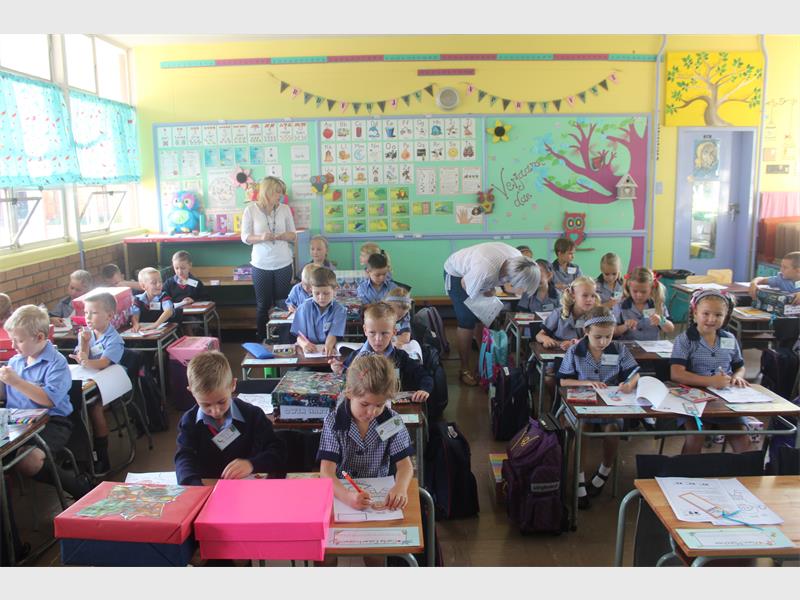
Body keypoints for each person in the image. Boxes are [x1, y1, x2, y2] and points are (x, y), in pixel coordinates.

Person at [0, 305, 92, 498]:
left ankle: (81, 489)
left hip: (53, 422)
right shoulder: (16, 361)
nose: (13, 346)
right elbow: (6, 395)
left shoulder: (56, 363)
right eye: (12, 340)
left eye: (19, 341)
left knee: (29, 461)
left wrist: (16, 381)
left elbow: (48, 400)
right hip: (17, 423)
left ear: (40, 337)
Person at [557, 306, 640, 509]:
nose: (603, 342)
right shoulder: (575, 350)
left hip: (610, 404)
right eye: (598, 337)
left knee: (612, 429)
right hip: (582, 405)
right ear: (586, 332)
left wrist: (629, 384)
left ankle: (604, 470)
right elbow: (563, 381)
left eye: (608, 336)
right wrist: (586, 383)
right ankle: (578, 478)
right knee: (582, 429)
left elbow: (635, 373)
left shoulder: (619, 349)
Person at [174, 351, 286, 486]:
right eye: (206, 405)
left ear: (233, 385)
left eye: (221, 402)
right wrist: (192, 484)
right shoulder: (189, 421)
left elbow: (277, 451)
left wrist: (252, 464)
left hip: (247, 488)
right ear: (192, 392)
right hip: (208, 487)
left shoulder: (253, 415)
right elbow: (184, 457)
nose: (215, 411)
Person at [318, 353, 413, 510]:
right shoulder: (334, 422)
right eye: (364, 404)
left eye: (379, 405)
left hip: (379, 494)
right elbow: (326, 472)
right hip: (342, 494)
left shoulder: (391, 421)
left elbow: (405, 465)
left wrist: (400, 487)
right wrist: (348, 497)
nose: (371, 412)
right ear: (349, 393)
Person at [444, 242, 541, 386]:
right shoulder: (485, 271)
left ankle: (484, 361)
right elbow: (465, 284)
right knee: (467, 320)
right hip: (457, 274)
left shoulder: (519, 260)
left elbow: (499, 280)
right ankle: (464, 369)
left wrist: (490, 289)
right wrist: (489, 290)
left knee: (481, 318)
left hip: (480, 268)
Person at [670, 289, 753, 455]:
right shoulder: (685, 340)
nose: (711, 319)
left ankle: (748, 471)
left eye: (718, 315)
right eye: (706, 313)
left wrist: (737, 376)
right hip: (693, 400)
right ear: (695, 313)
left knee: (742, 439)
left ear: (726, 316)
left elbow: (740, 366)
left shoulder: (729, 338)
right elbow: (676, 374)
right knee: (696, 436)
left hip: (725, 400)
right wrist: (711, 381)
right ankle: (686, 470)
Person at [68, 292, 124, 474]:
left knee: (94, 408)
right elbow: (81, 358)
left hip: (110, 383)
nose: (88, 317)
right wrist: (83, 344)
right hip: (89, 381)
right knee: (72, 404)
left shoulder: (114, 339)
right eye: (86, 313)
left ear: (109, 315)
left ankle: (102, 456)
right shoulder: (87, 334)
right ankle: (80, 455)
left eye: (93, 313)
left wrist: (86, 362)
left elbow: (104, 363)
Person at [330, 302, 432, 402]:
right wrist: (340, 370)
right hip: (366, 407)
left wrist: (424, 390)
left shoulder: (401, 357)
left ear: (394, 332)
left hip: (394, 406)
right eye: (372, 333)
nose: (378, 339)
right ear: (365, 330)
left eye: (384, 333)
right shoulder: (356, 357)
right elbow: (348, 380)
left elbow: (424, 376)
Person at [241, 176, 297, 341]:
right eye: (276, 192)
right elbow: (245, 237)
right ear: (267, 192)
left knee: (282, 303)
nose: (280, 195)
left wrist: (282, 235)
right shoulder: (250, 210)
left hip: (283, 263)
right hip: (261, 265)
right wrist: (261, 237)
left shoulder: (285, 209)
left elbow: (293, 235)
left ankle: (283, 338)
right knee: (263, 305)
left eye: (281, 192)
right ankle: (263, 338)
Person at [536, 276, 600, 409]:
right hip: (559, 359)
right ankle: (557, 403)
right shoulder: (559, 313)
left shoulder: (595, 316)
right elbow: (539, 335)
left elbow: (597, 340)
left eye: (593, 296)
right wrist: (547, 339)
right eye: (585, 295)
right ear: (573, 295)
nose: (590, 299)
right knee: (549, 378)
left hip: (583, 361)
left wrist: (576, 343)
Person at [291, 267, 347, 357]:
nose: (321, 297)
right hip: (308, 353)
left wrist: (328, 345)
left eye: (326, 293)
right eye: (317, 293)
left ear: (335, 290)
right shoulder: (303, 308)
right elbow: (299, 336)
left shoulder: (340, 310)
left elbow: (333, 334)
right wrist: (304, 344)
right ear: (311, 290)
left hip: (329, 352)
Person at [614, 267, 675, 341]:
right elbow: (614, 332)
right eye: (635, 291)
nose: (639, 295)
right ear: (629, 288)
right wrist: (625, 326)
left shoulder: (657, 304)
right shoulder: (620, 306)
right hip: (628, 345)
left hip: (652, 346)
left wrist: (661, 320)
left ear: (651, 289)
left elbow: (671, 329)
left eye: (644, 292)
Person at [130, 267, 175, 333]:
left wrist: (156, 324)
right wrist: (135, 324)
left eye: (160, 281)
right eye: (154, 283)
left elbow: (169, 311)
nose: (159, 284)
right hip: (145, 331)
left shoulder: (164, 297)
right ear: (143, 286)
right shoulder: (138, 299)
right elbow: (135, 314)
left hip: (163, 331)